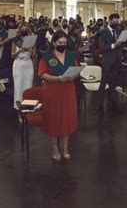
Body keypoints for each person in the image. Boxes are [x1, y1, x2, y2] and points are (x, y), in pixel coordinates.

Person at [38, 31, 79, 161]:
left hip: (68, 90)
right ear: (54, 43)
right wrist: (58, 78)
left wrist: (74, 75)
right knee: (54, 119)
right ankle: (55, 147)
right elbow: (42, 74)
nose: (63, 45)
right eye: (60, 43)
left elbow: (76, 69)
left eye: (65, 43)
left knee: (67, 118)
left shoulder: (72, 55)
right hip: (52, 91)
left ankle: (65, 147)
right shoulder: (47, 57)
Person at [97, 13, 126, 115]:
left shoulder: (118, 31)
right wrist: (114, 45)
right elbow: (102, 47)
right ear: (110, 20)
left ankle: (114, 105)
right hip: (107, 61)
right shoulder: (103, 32)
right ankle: (99, 106)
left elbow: (120, 44)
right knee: (103, 83)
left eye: (117, 21)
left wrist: (123, 43)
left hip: (117, 60)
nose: (116, 23)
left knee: (113, 83)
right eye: (114, 21)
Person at [11, 23, 35, 110]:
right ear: (20, 30)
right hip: (18, 64)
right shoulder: (15, 40)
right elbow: (12, 55)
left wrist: (31, 50)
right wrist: (19, 51)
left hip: (28, 64)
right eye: (22, 29)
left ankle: (28, 107)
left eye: (26, 29)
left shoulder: (31, 40)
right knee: (18, 87)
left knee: (28, 86)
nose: (24, 30)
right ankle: (19, 109)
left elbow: (34, 55)